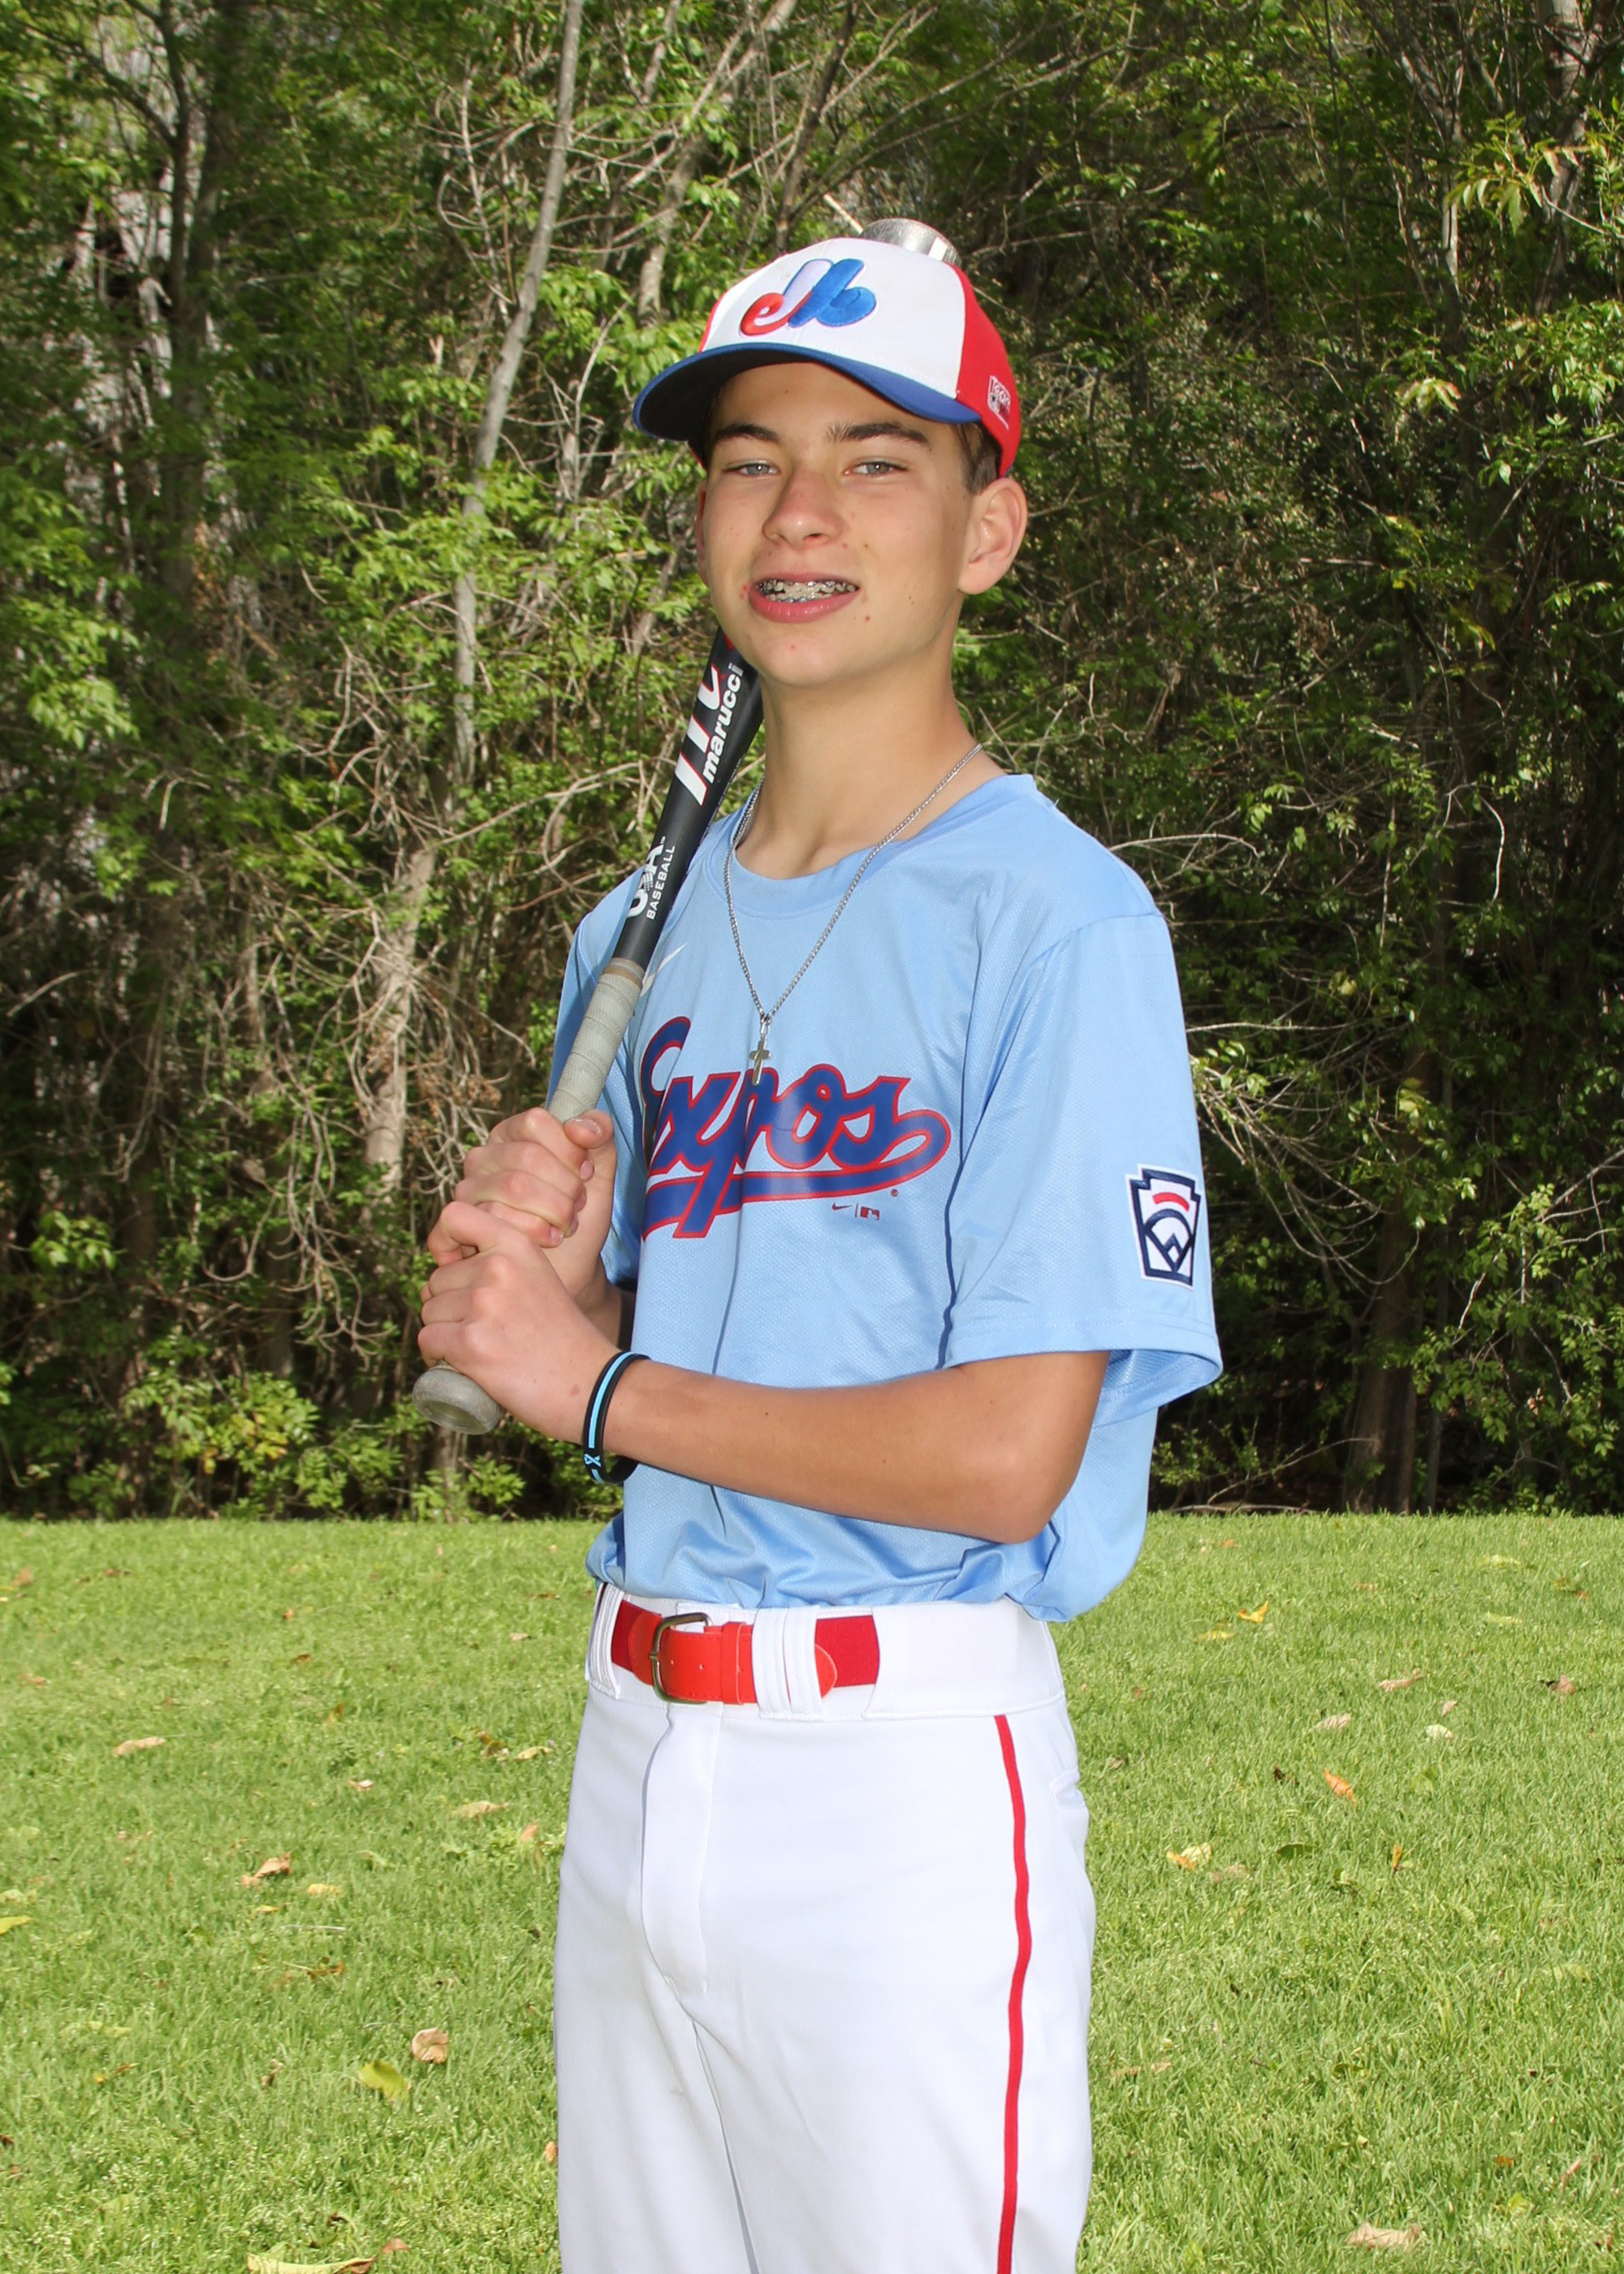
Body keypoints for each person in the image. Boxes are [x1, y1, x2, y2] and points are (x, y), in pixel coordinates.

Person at [417, 224, 1220, 2274]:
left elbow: (1005, 1455)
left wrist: (593, 1378)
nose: (798, 512)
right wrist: (556, 1294)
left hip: (896, 1780)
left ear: (986, 530)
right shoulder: (638, 929)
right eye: (748, 458)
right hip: (638, 1735)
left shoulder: (1059, 922)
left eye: (877, 460)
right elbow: (689, 1341)